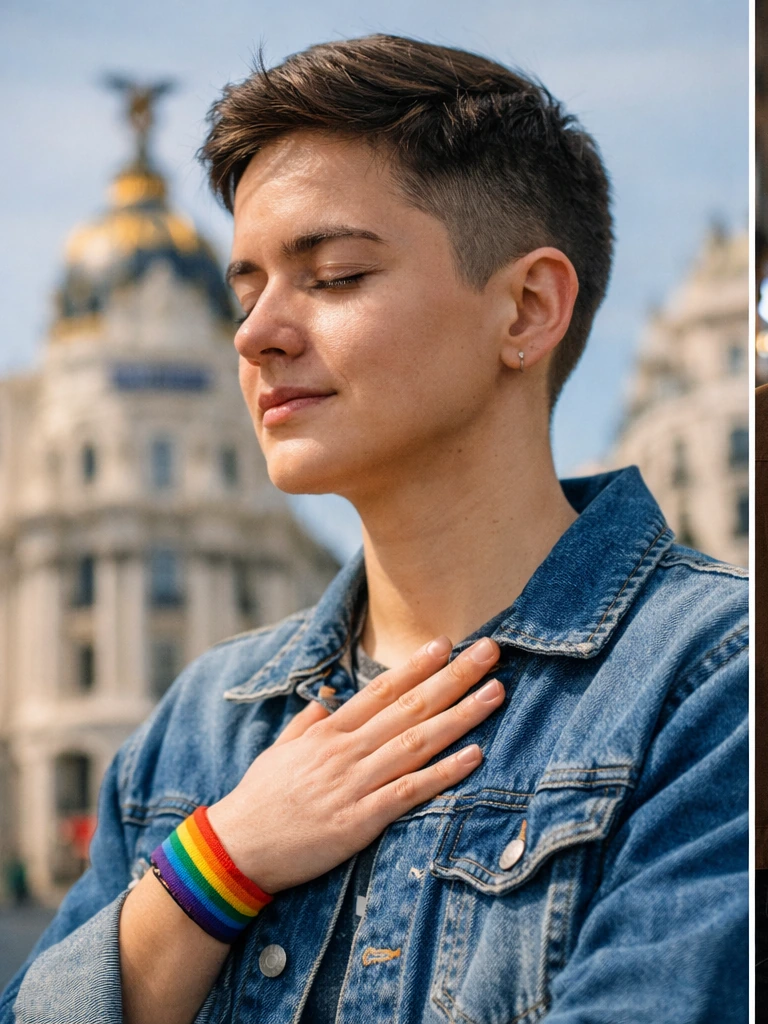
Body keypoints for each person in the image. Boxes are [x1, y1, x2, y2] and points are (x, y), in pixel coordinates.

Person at [1, 34, 747, 1024]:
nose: (256, 332)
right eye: (248, 288)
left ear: (526, 310)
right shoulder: (201, 723)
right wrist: (218, 865)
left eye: (335, 275)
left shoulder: (715, 683)